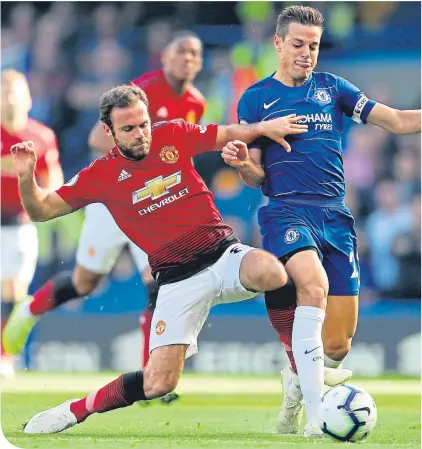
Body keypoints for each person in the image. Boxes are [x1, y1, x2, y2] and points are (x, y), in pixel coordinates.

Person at [14, 84, 316, 435]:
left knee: (272, 271)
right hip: (176, 281)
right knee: (159, 383)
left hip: (222, 254)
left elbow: (230, 132)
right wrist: (26, 177)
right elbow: (40, 210)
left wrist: (264, 128)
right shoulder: (100, 175)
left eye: (143, 124)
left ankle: (297, 371)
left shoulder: (172, 134)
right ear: (109, 133)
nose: (141, 134)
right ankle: (74, 410)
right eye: (128, 129)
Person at [222, 5, 421, 437]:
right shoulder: (256, 98)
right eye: (297, 44)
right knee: (313, 287)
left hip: (335, 215)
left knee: (338, 344)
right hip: (286, 210)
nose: (306, 53)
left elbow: (399, 121)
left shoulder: (333, 89)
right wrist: (241, 163)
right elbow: (255, 175)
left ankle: (295, 386)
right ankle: (317, 416)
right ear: (278, 43)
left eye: (312, 46)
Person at [3, 32, 205, 403]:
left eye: (195, 54)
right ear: (164, 57)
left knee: (158, 281)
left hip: (154, 206)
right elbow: (99, 139)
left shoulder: (195, 103)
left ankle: (151, 377)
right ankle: (29, 311)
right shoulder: (141, 91)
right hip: (115, 198)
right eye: (181, 52)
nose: (188, 60)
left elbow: (181, 154)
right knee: (85, 283)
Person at [0, 69, 63, 378]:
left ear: (28, 98)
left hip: (20, 223)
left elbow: (55, 179)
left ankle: (6, 357)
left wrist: (40, 189)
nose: (10, 99)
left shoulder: (41, 136)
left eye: (15, 92)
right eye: (4, 92)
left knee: (15, 290)